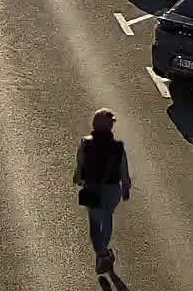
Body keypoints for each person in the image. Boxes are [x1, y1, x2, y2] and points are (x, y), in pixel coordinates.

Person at [73, 108, 131, 276]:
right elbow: (123, 167)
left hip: (92, 187)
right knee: (107, 218)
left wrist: (78, 178)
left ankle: (102, 254)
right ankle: (103, 252)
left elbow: (80, 162)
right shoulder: (117, 146)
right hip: (113, 189)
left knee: (94, 223)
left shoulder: (86, 142)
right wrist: (126, 186)